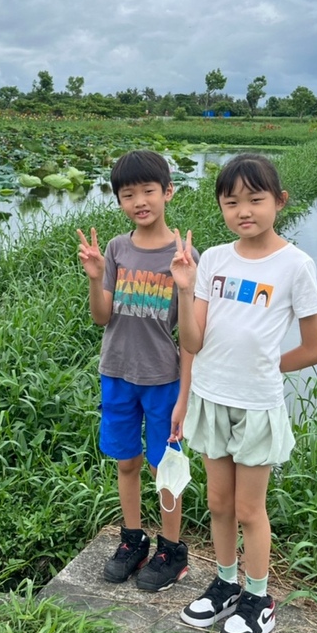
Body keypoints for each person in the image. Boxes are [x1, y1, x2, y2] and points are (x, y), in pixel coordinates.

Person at [169, 153, 317, 633]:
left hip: (257, 404)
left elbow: (315, 349)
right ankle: (226, 583)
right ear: (220, 206)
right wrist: (184, 288)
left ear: (278, 201)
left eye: (255, 200)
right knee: (218, 502)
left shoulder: (296, 265)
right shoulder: (213, 259)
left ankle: (259, 599)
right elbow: (191, 342)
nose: (244, 211)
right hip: (211, 399)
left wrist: (266, 367)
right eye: (231, 202)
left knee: (248, 509)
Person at [77, 149, 197, 593]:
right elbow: (101, 317)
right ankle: (133, 540)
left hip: (163, 380)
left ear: (168, 192)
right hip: (117, 373)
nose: (139, 201)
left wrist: (185, 395)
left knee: (163, 468)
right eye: (128, 194)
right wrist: (95, 276)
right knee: (126, 461)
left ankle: (171, 550)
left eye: (148, 191)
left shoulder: (183, 254)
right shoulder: (116, 249)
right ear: (120, 201)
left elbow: (190, 336)